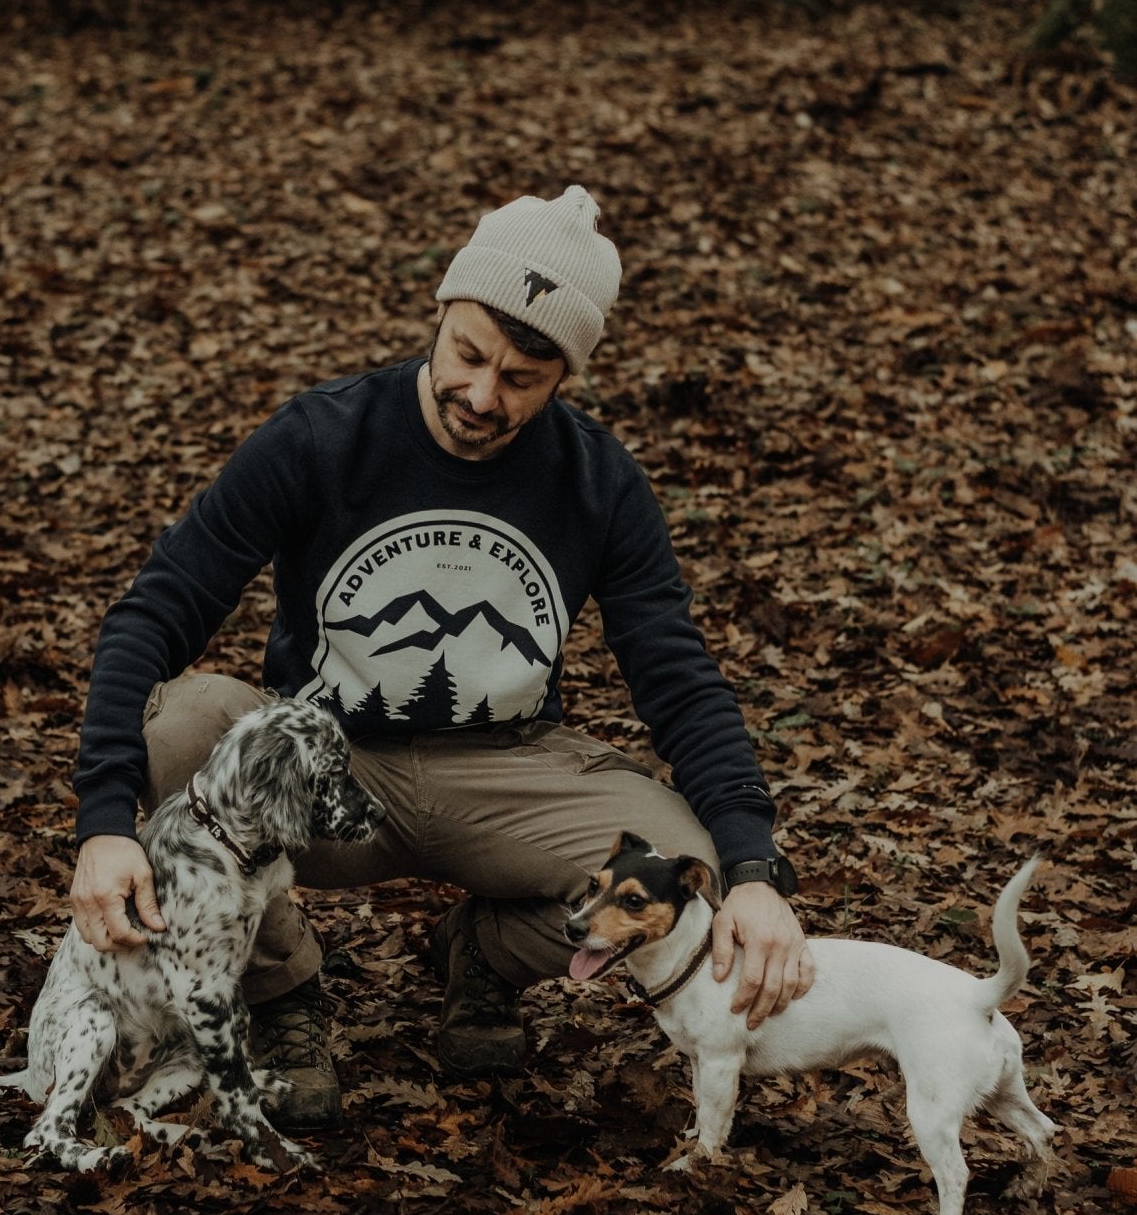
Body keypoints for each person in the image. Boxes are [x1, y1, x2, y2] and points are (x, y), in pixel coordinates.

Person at [70, 186, 814, 1128]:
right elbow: (157, 610)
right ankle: (281, 991)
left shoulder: (598, 481)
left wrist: (752, 870)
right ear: (442, 310)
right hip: (329, 766)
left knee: (691, 867)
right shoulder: (321, 438)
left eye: (522, 378)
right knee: (182, 728)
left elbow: (677, 677)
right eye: (468, 354)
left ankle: (484, 955)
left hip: (506, 770)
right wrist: (102, 823)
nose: (482, 396)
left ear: (566, 375)